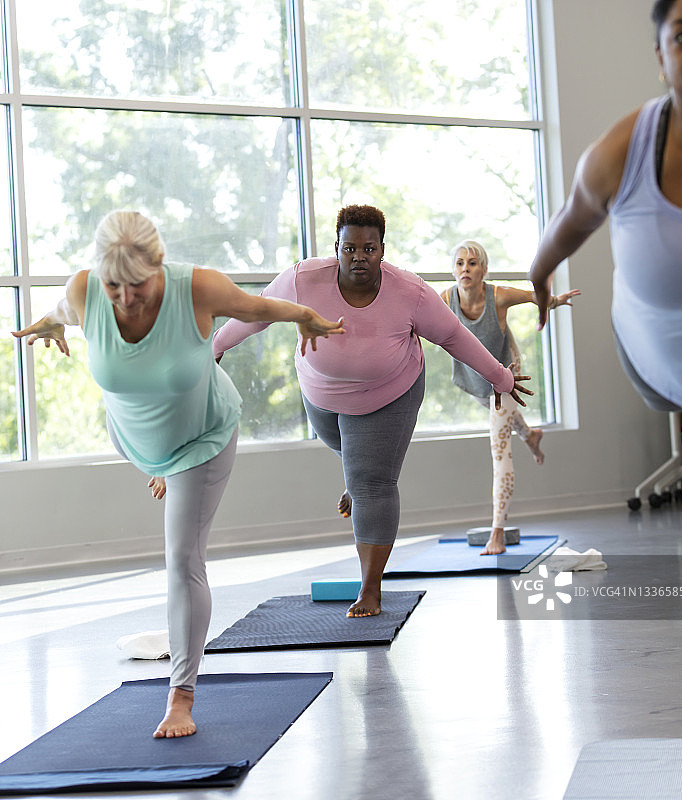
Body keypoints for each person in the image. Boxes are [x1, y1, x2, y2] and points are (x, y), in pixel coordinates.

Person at [12, 210, 345, 738]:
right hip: (134, 441)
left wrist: (304, 314)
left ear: (160, 265)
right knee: (155, 472)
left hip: (200, 440)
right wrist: (54, 321)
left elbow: (259, 306)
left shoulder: (198, 289)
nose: (125, 298)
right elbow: (61, 308)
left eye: (138, 284)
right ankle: (162, 471)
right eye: (113, 285)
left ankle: (181, 695)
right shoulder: (85, 292)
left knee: (181, 560)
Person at [213, 204, 533, 618]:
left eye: (368, 249)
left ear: (382, 250)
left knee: (374, 485)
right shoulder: (302, 279)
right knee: (346, 452)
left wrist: (499, 377)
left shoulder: (410, 293)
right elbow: (256, 314)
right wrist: (216, 347)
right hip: (321, 394)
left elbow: (454, 337)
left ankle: (370, 588)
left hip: (390, 394)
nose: (358, 257)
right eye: (350, 249)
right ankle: (358, 476)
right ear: (337, 248)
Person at [528, 0, 682, 664]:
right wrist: (538, 270)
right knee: (677, 398)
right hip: (654, 352)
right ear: (661, 55)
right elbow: (570, 220)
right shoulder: (623, 148)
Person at [441, 240, 579, 555]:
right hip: (476, 379)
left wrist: (555, 301)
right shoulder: (446, 298)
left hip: (507, 379)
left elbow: (535, 296)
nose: (465, 269)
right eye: (460, 263)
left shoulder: (499, 296)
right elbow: (420, 320)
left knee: (499, 449)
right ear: (453, 270)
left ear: (483, 270)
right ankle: (531, 435)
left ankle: (497, 532)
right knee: (502, 420)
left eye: (472, 263)